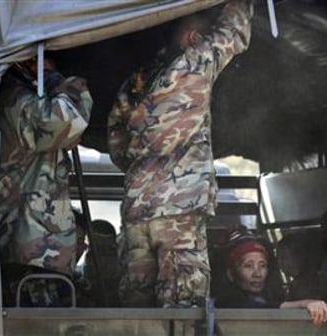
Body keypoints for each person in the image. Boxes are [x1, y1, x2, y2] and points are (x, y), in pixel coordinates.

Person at [107, 0, 254, 307]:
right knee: (182, 305)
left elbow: (117, 146)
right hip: (180, 210)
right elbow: (235, 32)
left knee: (135, 305)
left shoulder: (133, 85)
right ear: (191, 38)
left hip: (137, 210)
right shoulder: (195, 62)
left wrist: (144, 171)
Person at [0, 56, 92, 305]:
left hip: (27, 252)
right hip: (32, 256)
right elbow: (67, 122)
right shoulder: (13, 98)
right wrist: (61, 81)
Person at [213, 231, 327, 325]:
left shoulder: (270, 296)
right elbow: (258, 309)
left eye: (262, 265)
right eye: (248, 266)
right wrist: (304, 304)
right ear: (231, 273)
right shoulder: (227, 301)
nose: (257, 274)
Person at [276, 231, 325, 301]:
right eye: (278, 257)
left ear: (300, 257)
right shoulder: (296, 284)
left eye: (284, 257)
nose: (279, 262)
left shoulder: (308, 286)